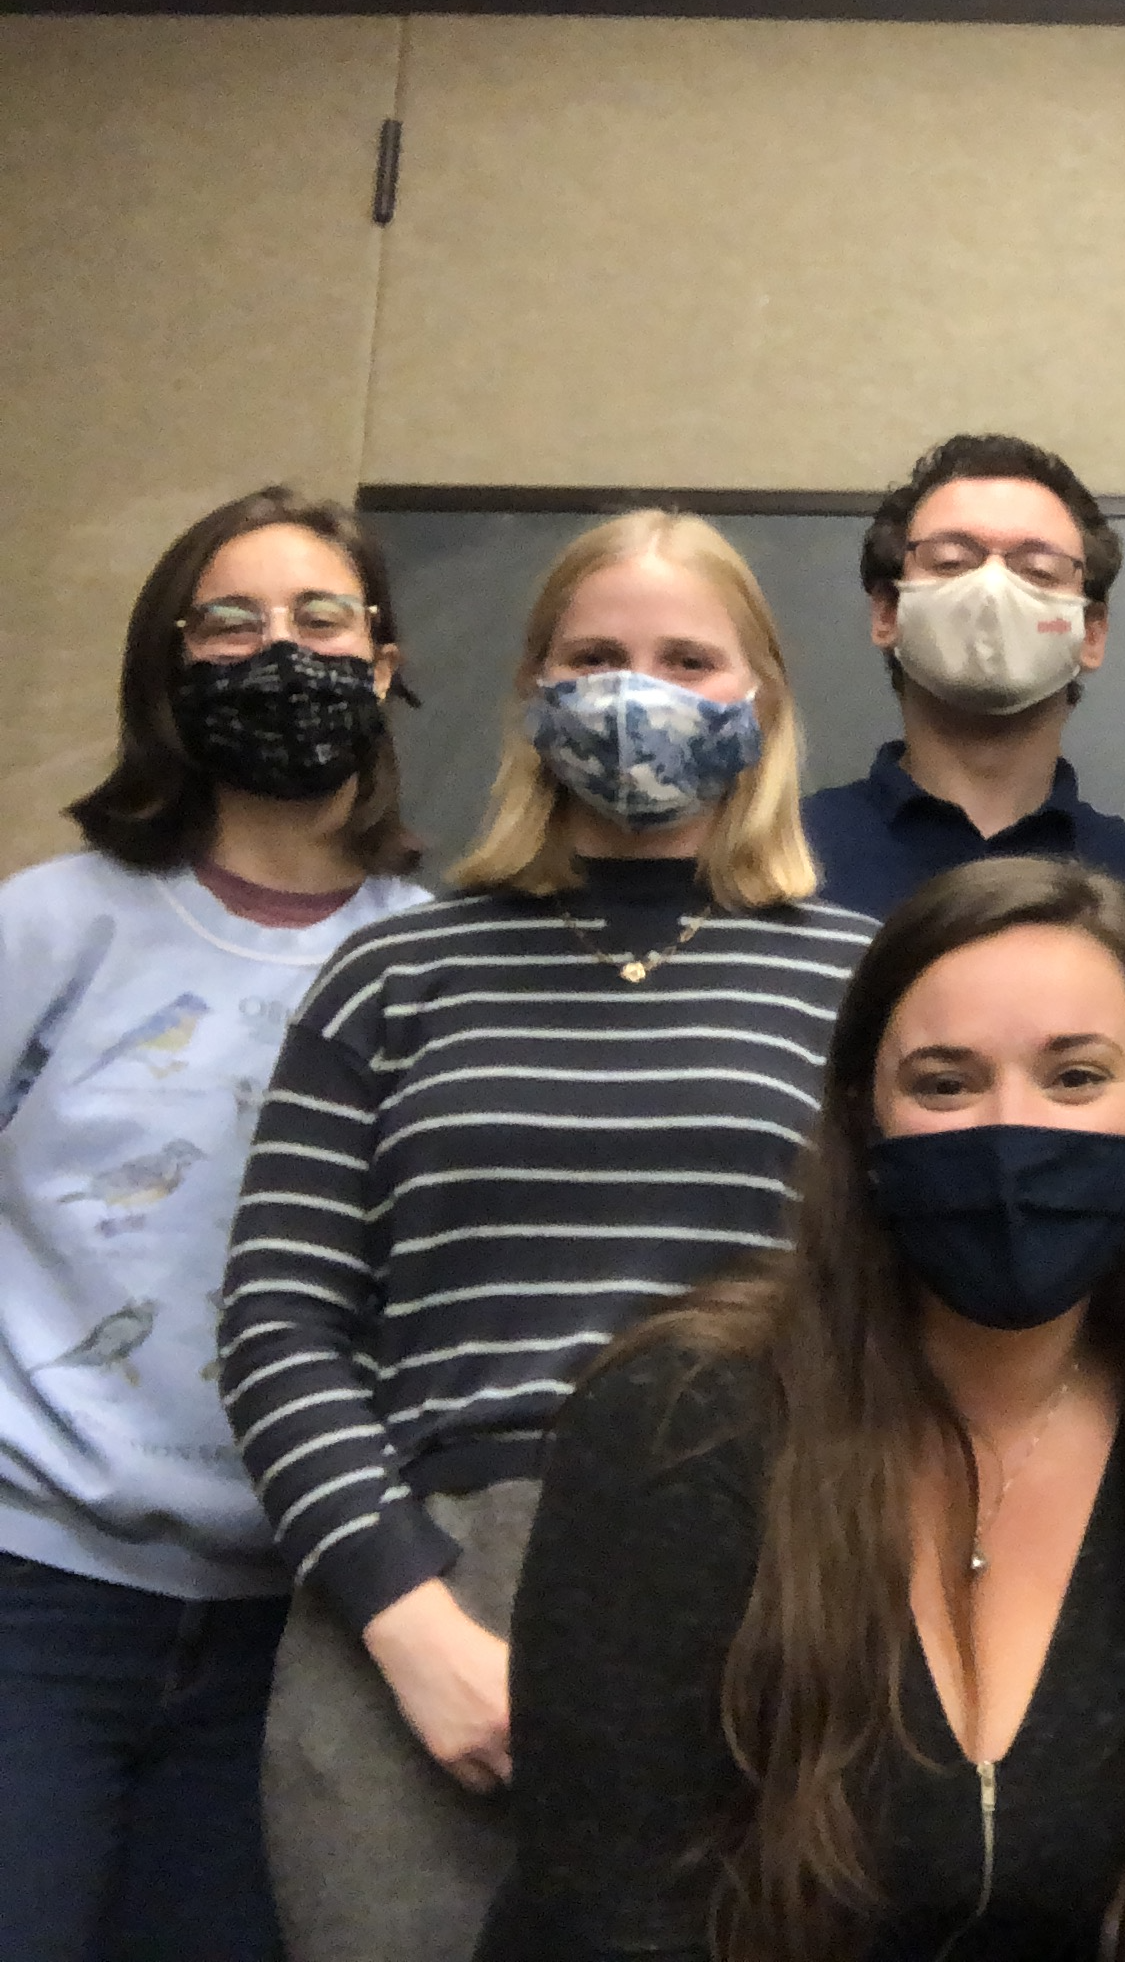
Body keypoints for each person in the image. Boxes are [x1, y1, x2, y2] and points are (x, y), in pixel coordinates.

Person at [219, 511, 872, 1962]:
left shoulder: (866, 979)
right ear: (530, 692)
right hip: (420, 1606)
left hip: (768, 1594)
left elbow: (902, 1326)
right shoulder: (395, 968)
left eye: (686, 658)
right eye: (594, 655)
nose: (635, 688)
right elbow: (279, 1325)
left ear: (759, 697)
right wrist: (412, 1625)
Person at [478, 858, 1125, 1962]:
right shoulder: (681, 1419)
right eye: (943, 1082)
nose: (1012, 1130)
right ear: (861, 1121)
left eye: (1075, 1078)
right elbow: (615, 1911)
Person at [0, 488, 430, 1962]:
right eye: (231, 624)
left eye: (322, 621)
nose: (278, 652)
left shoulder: (434, 957)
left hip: (306, 1626)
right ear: (172, 669)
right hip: (33, 1596)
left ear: (383, 663)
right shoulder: (49, 925)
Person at [802, 433, 1125, 920]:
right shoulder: (776, 863)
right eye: (951, 562)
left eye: (1037, 570)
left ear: (1090, 633)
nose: (992, 590)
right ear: (887, 612)